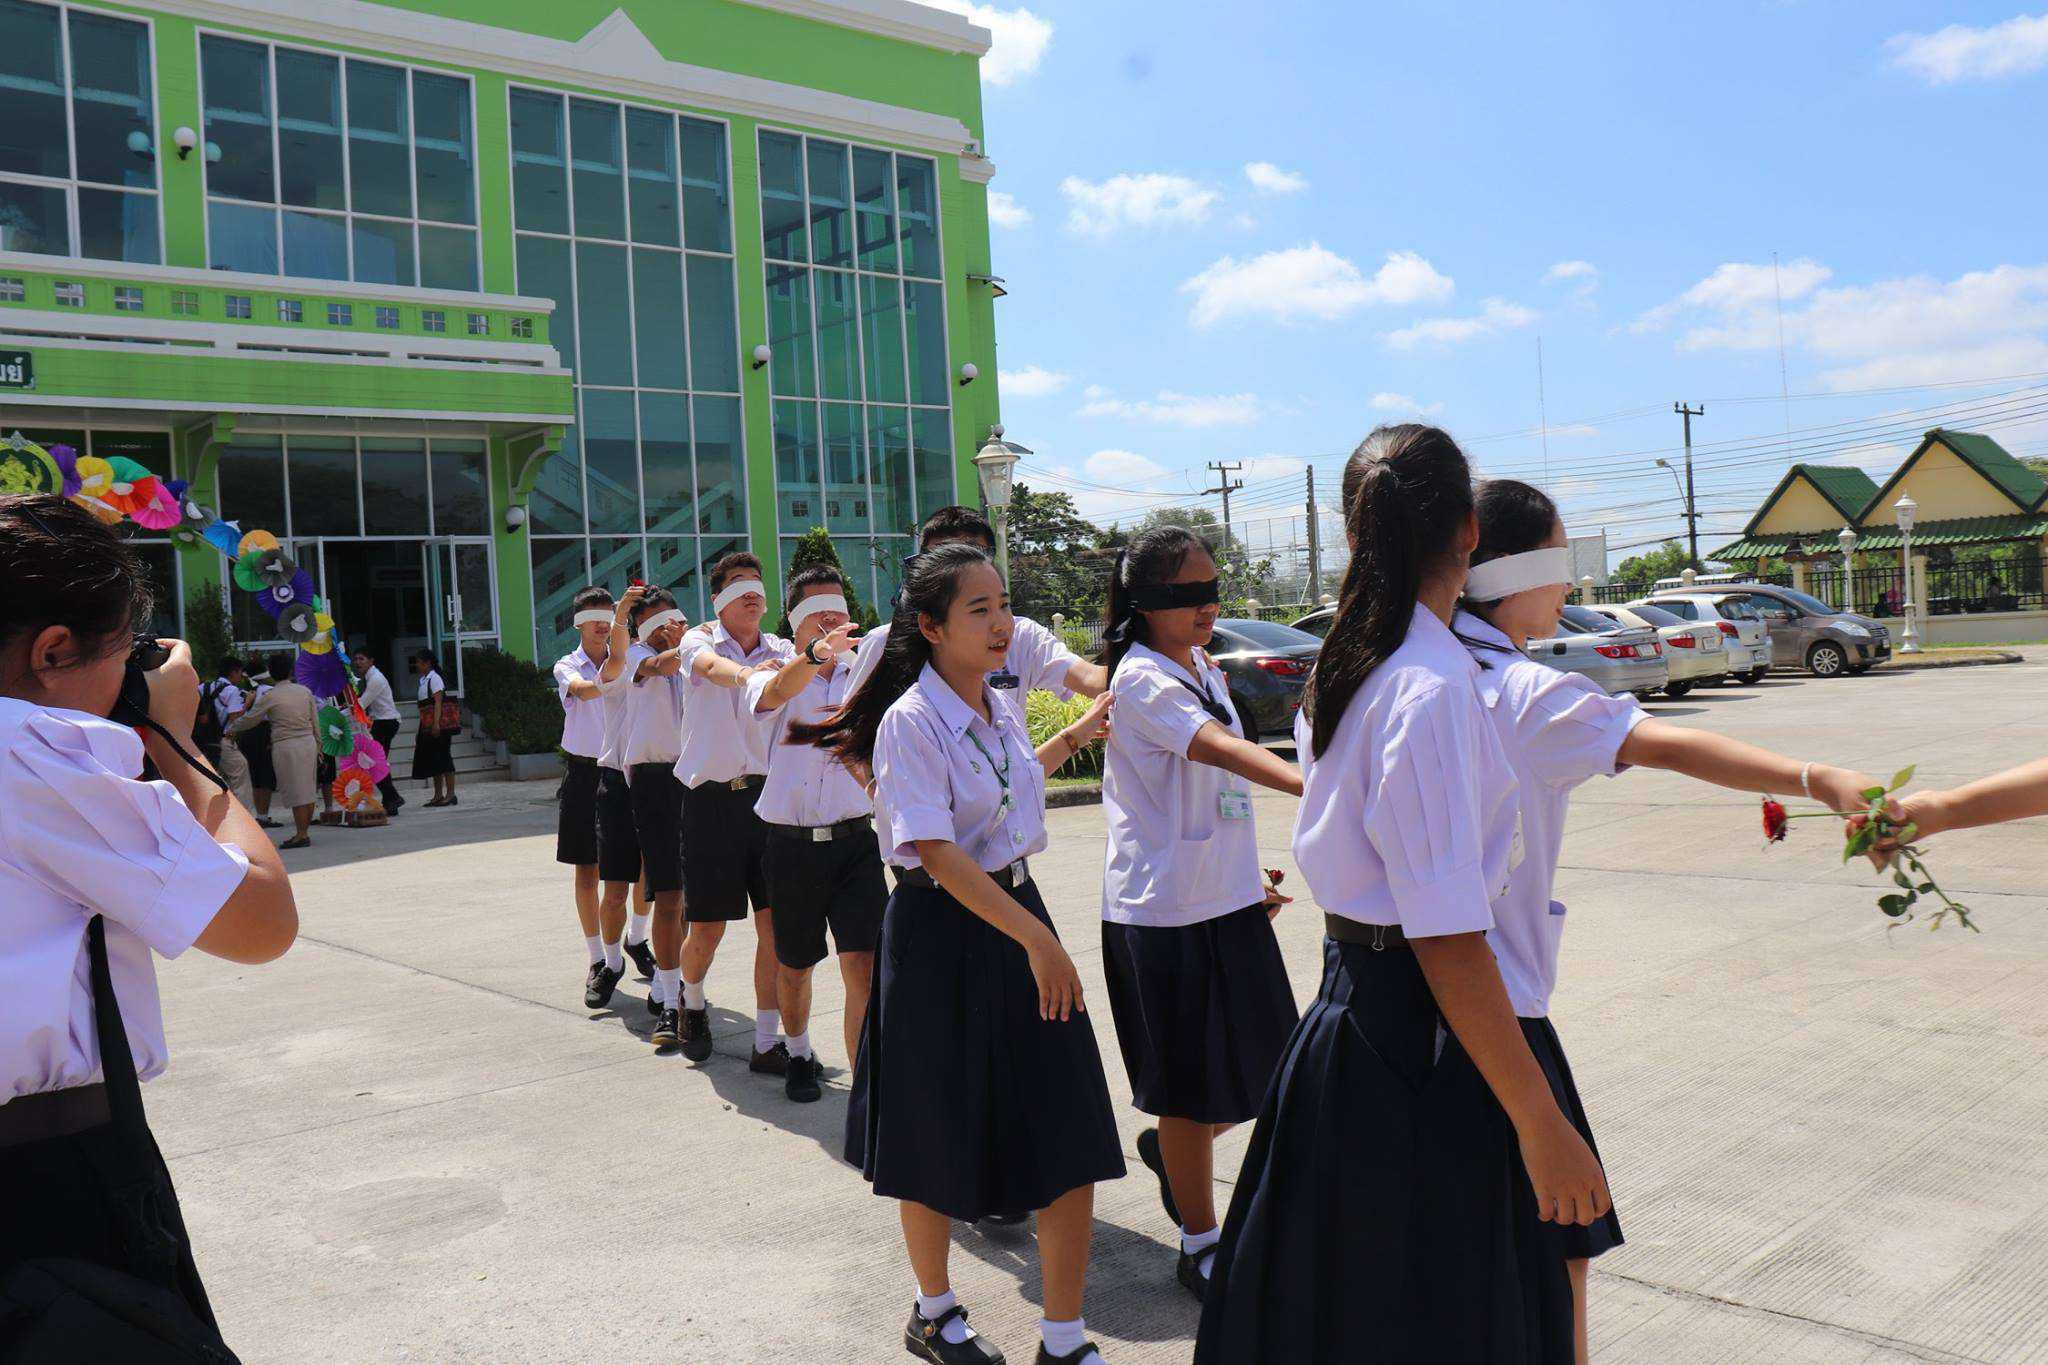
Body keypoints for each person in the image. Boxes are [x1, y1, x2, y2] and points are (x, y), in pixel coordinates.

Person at [1448, 478, 1881, 1360]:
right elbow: (1668, 742)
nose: (1570, 585)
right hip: (1495, 1010)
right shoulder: (1522, 691)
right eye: (1560, 560)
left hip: (1384, 997)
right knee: (1557, 1250)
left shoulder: (1390, 666)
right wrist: (1816, 778)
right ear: (1517, 569)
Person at [1195, 424, 1583, 1363]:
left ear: (1355, 530)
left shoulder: (1350, 661)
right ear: (1468, 535)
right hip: (1424, 1041)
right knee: (1438, 1318)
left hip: (1351, 1016)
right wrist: (1542, 1122)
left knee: (1339, 1316)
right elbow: (1445, 935)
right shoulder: (1429, 683)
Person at [793, 543, 1121, 1365]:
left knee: (1068, 1123)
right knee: (932, 1132)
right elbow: (936, 851)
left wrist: (1075, 732)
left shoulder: (998, 704)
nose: (1003, 622)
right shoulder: (909, 721)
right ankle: (934, 1311)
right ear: (932, 626)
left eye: (1004, 604)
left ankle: (1064, 1339)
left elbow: (1008, 791)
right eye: (981, 609)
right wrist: (1039, 939)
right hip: (942, 931)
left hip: (1015, 910)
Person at [0, 493, 298, 1347]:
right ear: (53, 650)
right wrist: (171, 736)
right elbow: (261, 917)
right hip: (48, 1186)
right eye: (125, 647)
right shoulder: (35, 752)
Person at [1092, 526, 1305, 1302]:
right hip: (1165, 911)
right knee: (1191, 1088)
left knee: (1270, 1072)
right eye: (1188, 594)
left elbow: (1219, 791)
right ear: (1147, 601)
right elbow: (1216, 749)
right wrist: (1313, 787)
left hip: (1226, 897)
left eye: (1213, 589)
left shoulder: (1201, 664)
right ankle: (1201, 1245)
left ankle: (1171, 1151)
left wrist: (1248, 877)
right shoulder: (1144, 679)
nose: (1208, 605)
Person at [725, 567, 865, 1103]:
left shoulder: (864, 673)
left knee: (864, 964)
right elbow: (774, 693)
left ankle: (868, 1080)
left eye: (838, 609)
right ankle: (799, 1052)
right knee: (795, 963)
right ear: (794, 621)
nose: (831, 619)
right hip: (791, 844)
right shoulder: (771, 673)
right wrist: (815, 656)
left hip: (856, 841)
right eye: (816, 611)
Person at [670, 553, 792, 1070]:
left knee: (775, 927)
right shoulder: (697, 641)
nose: (752, 594)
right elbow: (711, 670)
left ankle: (766, 1041)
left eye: (757, 586)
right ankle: (692, 1001)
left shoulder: (782, 649)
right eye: (739, 586)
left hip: (767, 801)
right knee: (708, 928)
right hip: (711, 803)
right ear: (718, 598)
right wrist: (749, 675)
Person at [842, 506, 1108, 705]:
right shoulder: (885, 646)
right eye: (944, 559)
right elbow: (851, 736)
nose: (961, 573)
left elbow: (1091, 679)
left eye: (972, 556)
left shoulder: (1021, 636)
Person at [595, 587, 692, 1041]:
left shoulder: (695, 657)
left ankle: (668, 984)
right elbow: (658, 665)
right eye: (657, 621)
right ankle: (612, 960)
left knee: (681, 893)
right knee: (631, 887)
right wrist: (688, 644)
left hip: (688, 779)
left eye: (674, 618)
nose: (670, 626)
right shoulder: (635, 656)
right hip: (636, 779)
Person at [553, 588, 656, 1008]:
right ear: (578, 623)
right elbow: (582, 691)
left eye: (607, 616)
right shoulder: (567, 665)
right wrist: (615, 675)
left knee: (648, 862)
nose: (600, 625)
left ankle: (637, 938)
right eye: (592, 618)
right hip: (584, 772)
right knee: (588, 870)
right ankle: (599, 958)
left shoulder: (634, 655)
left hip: (629, 771)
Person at [230, 662, 321, 850]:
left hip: (286, 745)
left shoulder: (271, 695)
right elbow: (315, 721)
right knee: (308, 789)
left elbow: (251, 719)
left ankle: (301, 834)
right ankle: (303, 832)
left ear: (271, 674)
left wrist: (231, 727)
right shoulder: (304, 691)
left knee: (295, 790)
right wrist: (318, 746)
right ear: (290, 672)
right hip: (308, 743)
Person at [351, 648, 404, 816]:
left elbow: (362, 703)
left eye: (362, 659)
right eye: (356, 659)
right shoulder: (369, 677)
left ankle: (393, 798)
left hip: (386, 723)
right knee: (377, 764)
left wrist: (341, 711)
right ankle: (391, 802)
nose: (358, 662)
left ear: (371, 661)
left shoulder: (375, 679)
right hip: (382, 722)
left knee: (374, 764)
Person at [208, 657, 256, 812]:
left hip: (207, 740)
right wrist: (248, 702)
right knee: (240, 773)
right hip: (224, 740)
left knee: (219, 780)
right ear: (234, 672)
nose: (241, 676)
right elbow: (234, 717)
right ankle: (245, 816)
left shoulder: (206, 686)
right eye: (240, 672)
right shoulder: (232, 690)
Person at [412, 650, 457, 806]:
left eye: (419, 662)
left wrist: (436, 724)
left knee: (444, 758)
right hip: (427, 724)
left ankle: (450, 794)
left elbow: (438, 702)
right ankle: (438, 794)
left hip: (438, 725)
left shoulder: (435, 678)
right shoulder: (423, 680)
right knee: (433, 760)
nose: (417, 665)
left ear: (427, 663)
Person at [241, 657, 279, 828]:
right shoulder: (269, 690)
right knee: (266, 776)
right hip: (264, 732)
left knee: (255, 776)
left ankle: (260, 814)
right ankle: (263, 816)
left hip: (248, 733)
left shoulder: (245, 691)